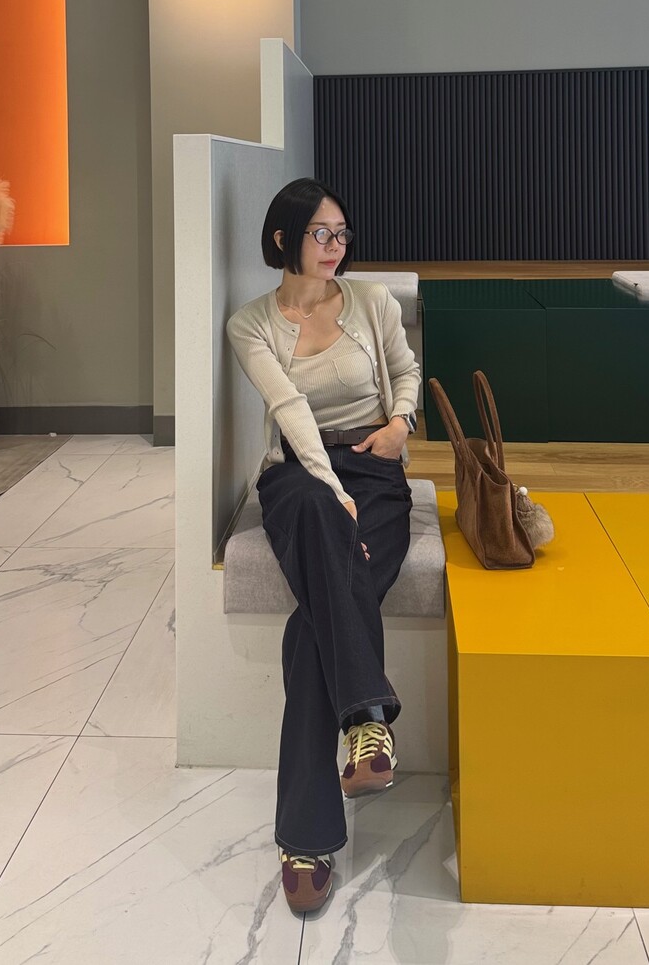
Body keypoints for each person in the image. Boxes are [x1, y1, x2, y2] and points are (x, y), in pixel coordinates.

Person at [226, 177, 421, 914]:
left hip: (376, 470)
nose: (336, 246)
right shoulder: (250, 324)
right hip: (300, 476)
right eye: (321, 233)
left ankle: (305, 835)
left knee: (315, 624)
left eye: (342, 232)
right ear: (283, 239)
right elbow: (288, 408)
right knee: (313, 507)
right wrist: (330, 487)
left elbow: (406, 372)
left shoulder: (372, 302)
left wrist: (400, 424)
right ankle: (367, 719)